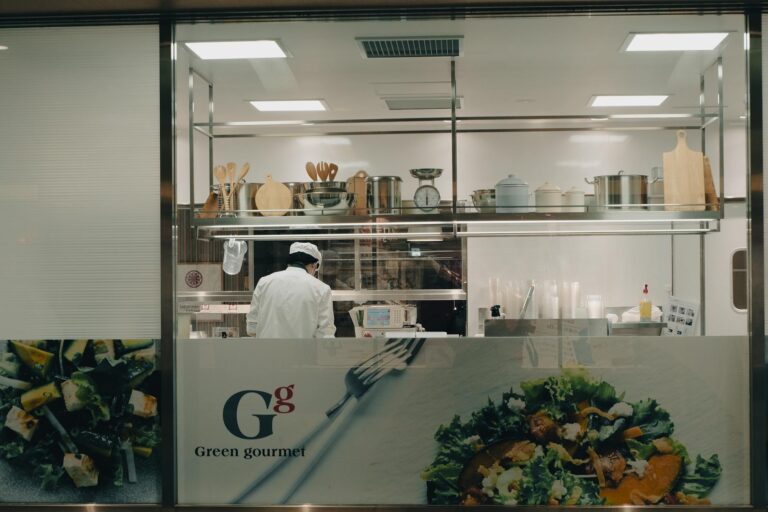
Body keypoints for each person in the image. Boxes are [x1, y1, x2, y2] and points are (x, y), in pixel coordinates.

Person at [246, 242, 336, 338]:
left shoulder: (264, 282)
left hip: (267, 347)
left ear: (290, 262)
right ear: (314, 265)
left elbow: (252, 328)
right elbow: (326, 334)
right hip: (304, 348)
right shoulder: (322, 289)